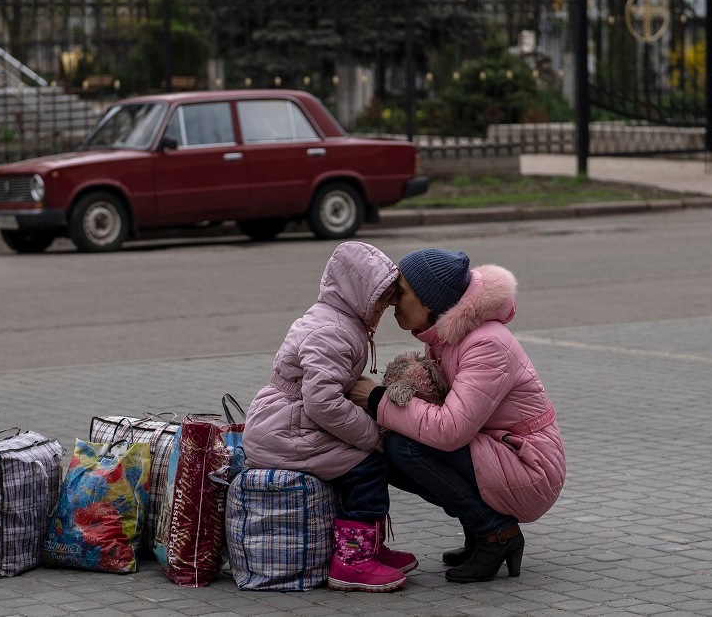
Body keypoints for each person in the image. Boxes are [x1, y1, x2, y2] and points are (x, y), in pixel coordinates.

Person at [352, 248, 565, 583]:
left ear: (430, 300)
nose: (393, 301)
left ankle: (496, 533)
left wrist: (378, 400)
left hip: (531, 465)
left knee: (405, 448)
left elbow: (451, 430)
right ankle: (478, 526)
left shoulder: (486, 344)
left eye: (402, 292)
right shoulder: (447, 337)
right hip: (500, 450)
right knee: (389, 452)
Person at [242, 241, 417, 593]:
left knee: (360, 464)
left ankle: (368, 547)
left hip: (289, 422)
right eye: (380, 301)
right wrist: (372, 434)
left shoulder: (336, 318)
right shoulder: (333, 331)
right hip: (287, 429)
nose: (384, 309)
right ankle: (353, 562)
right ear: (359, 294)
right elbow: (323, 403)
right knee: (368, 466)